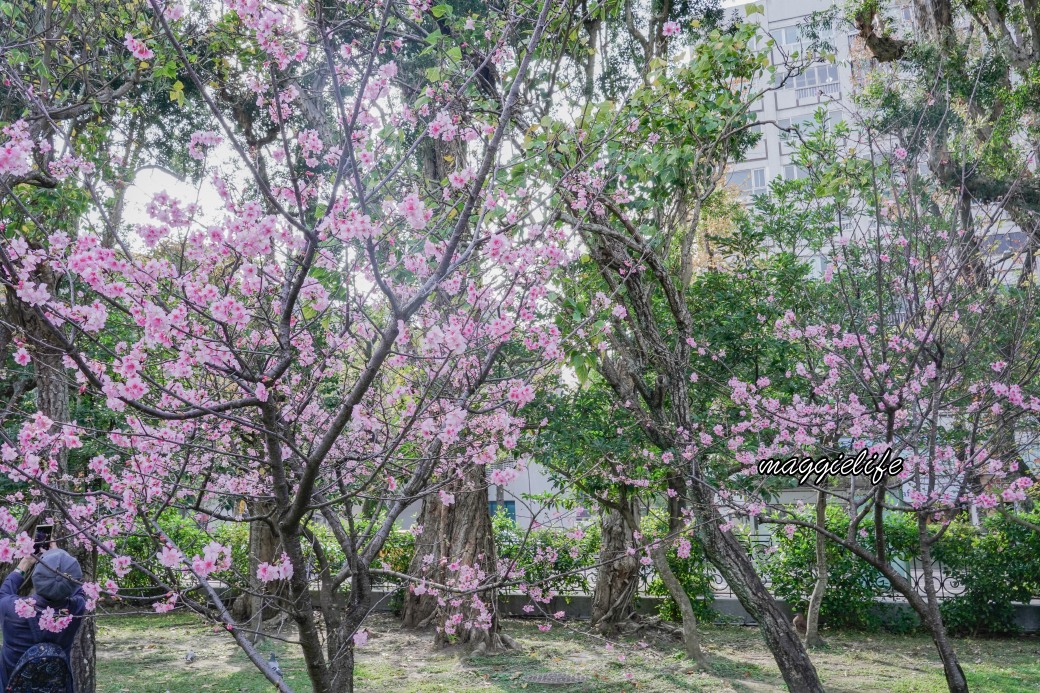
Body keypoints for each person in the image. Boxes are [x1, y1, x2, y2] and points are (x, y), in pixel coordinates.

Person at [0, 547, 86, 690]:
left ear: (36, 577)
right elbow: (79, 588)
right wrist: (62, 558)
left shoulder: (13, 609)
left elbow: (4, 591)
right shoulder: (75, 610)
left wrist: (25, 563)